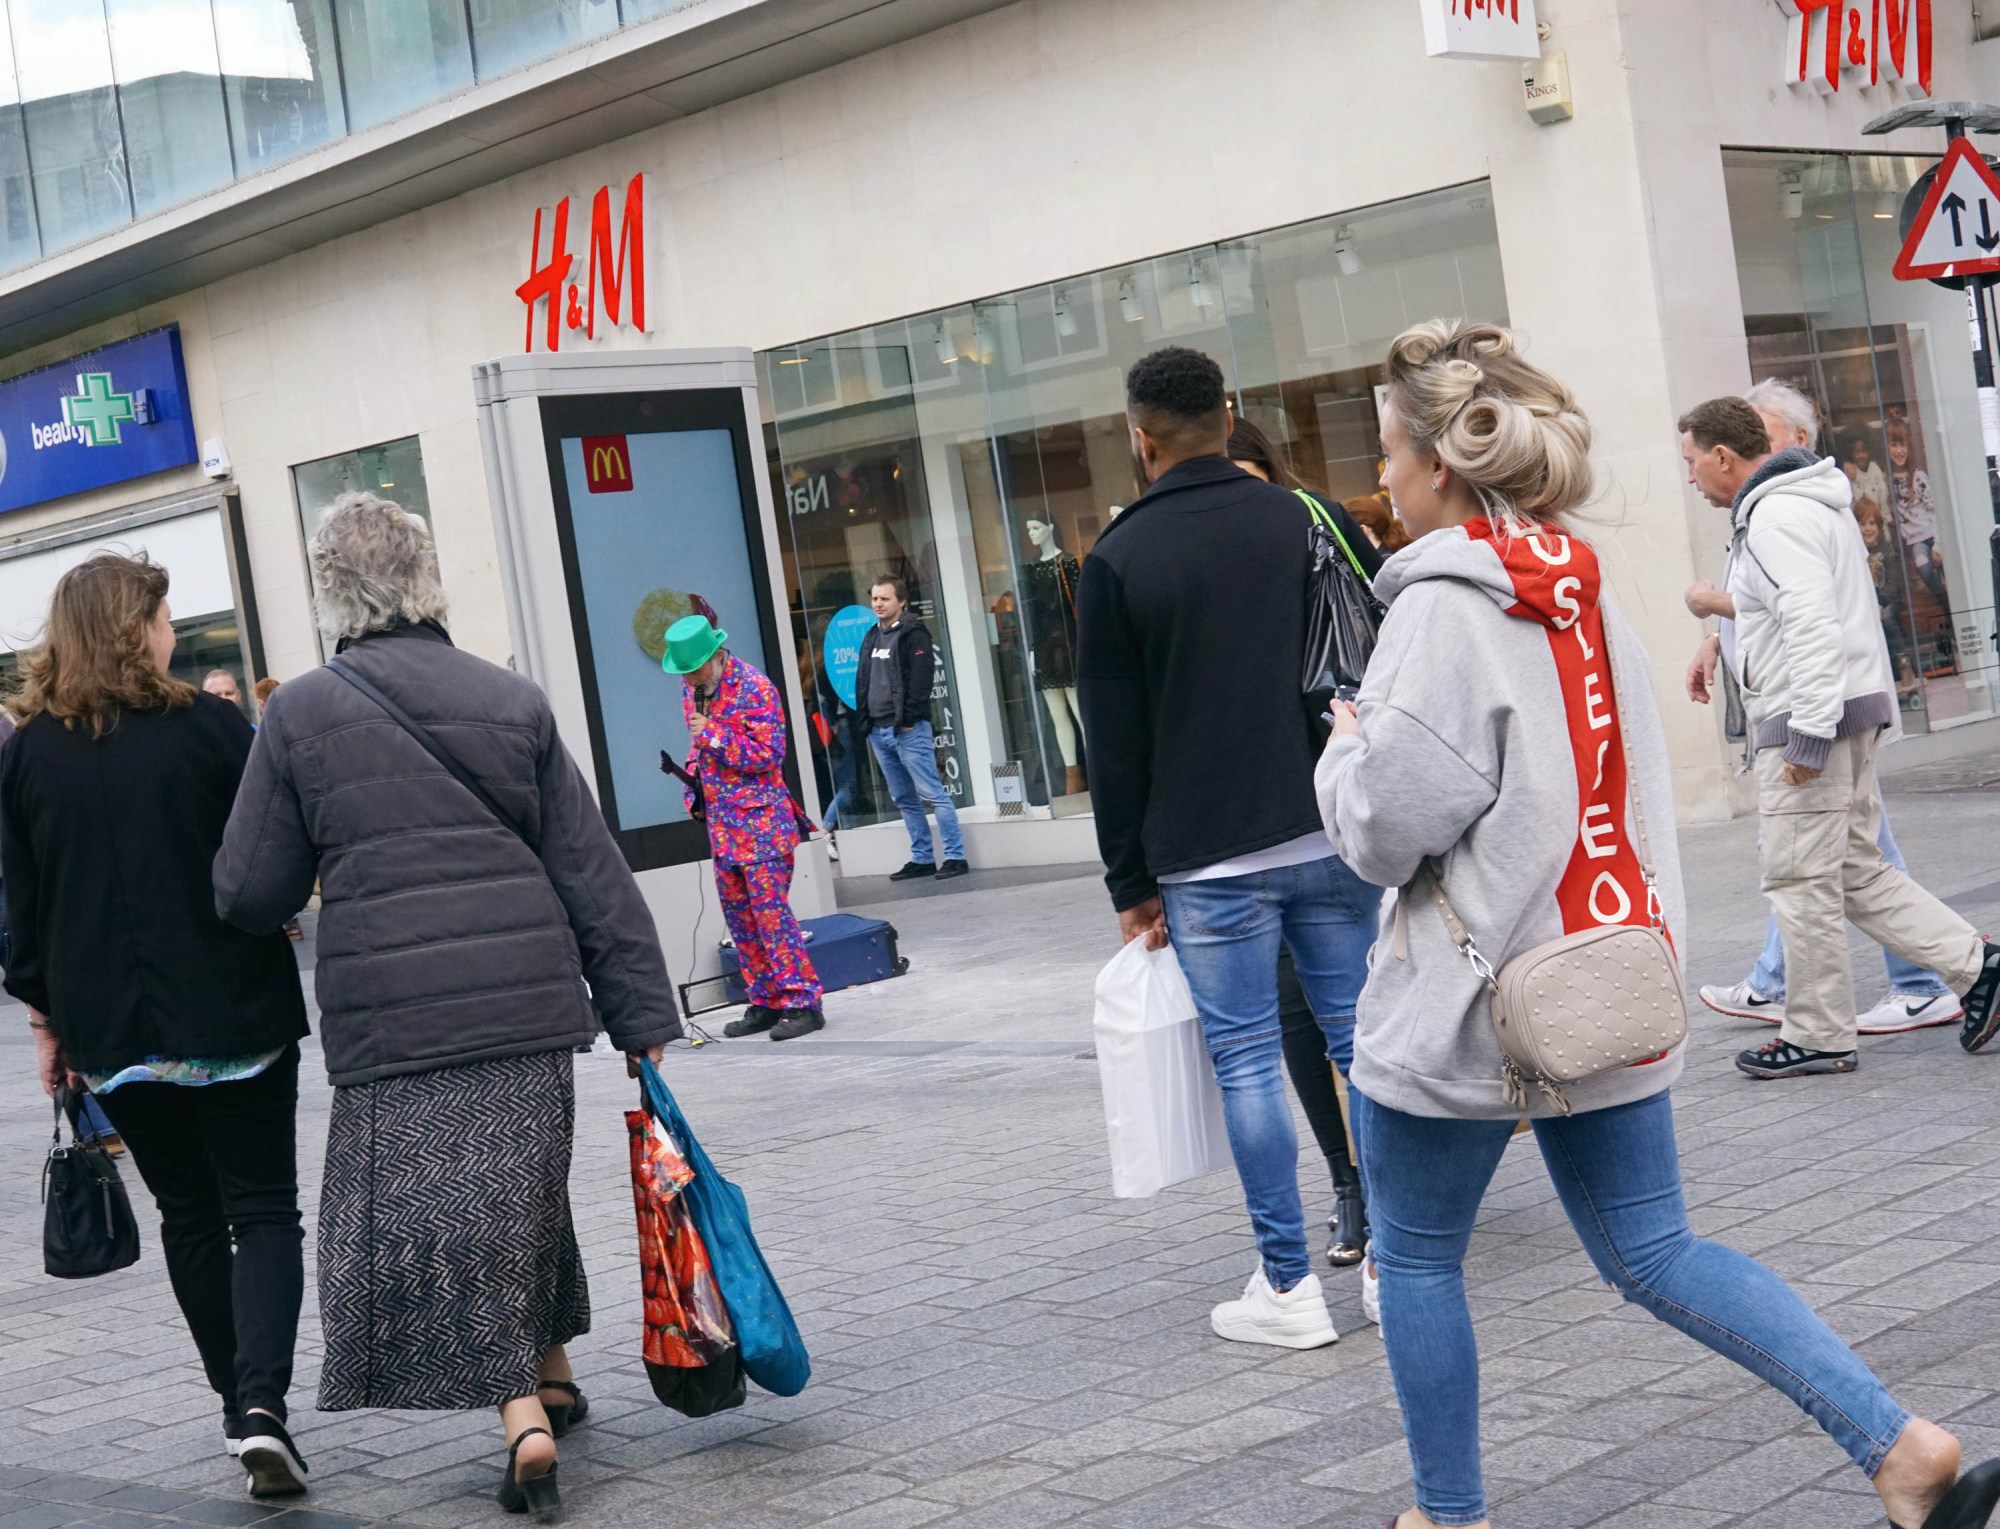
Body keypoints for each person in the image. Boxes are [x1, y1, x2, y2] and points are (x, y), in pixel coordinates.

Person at [1318, 318, 2000, 1529]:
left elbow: (1385, 828)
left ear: (1438, 461)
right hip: (1605, 980)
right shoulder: (1579, 588)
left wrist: (1344, 753)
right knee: (1655, 1251)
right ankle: (1899, 1446)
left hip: (1470, 1006)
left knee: (1415, 1258)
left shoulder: (1437, 610)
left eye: (1386, 451)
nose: (1382, 478)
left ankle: (1448, 1513)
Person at [214, 493, 683, 1521]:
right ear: (429, 578)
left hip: (395, 1022)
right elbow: (589, 869)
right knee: (514, 1195)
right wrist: (641, 1013)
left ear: (332, 590)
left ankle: (521, 1418)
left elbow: (252, 890)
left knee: (457, 1218)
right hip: (526, 1007)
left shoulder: (298, 713)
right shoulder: (508, 697)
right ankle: (551, 1373)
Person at [1078, 346, 1380, 1348]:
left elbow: (1110, 740)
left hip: (1203, 853)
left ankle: (1289, 1288)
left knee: (1249, 1062)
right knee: (1359, 1042)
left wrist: (1128, 877)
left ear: (1140, 435)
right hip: (1325, 822)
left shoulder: (1118, 557)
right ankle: (1393, 1262)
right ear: (1228, 414)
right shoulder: (1298, 519)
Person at [0, 554, 311, 1497]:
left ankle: (232, 1406)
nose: (174, 628)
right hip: (234, 1010)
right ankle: (262, 1403)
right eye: (165, 613)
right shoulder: (211, 729)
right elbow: (268, 851)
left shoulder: (27, 756)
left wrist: (47, 1017)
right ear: (136, 627)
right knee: (261, 1210)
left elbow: (24, 902)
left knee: (189, 1214)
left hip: (115, 1030)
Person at [1678, 397, 2000, 1077]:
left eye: (1690, 461)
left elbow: (1813, 626)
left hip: (1813, 719)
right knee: (1856, 871)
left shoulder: (1776, 516)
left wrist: (1806, 738)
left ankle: (1820, 1032)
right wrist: (1722, 643)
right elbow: (1797, 614)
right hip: (1849, 707)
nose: (1690, 477)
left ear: (1723, 456)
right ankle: (1981, 967)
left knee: (1799, 878)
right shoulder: (1804, 503)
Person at [1226, 414, 1380, 1268]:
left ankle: (1393, 1175)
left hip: (1351, 794)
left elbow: (1388, 614)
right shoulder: (1197, 547)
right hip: (1266, 820)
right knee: (1295, 1017)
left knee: (1360, 1012)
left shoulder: (1319, 521)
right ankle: (1349, 1184)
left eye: (1252, 471)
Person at [661, 614, 825, 1042]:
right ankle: (765, 1001)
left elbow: (769, 755)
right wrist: (693, 789)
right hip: (723, 825)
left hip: (763, 823)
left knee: (772, 917)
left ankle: (802, 1002)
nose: (690, 680)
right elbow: (698, 748)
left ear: (716, 657)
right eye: (684, 673)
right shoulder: (692, 691)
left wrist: (712, 735)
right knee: (741, 918)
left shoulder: (755, 688)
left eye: (694, 670)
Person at [854, 574, 967, 882]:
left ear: (901, 602)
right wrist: (866, 722)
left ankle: (956, 856)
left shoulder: (914, 634)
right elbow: (863, 680)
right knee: (903, 798)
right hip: (878, 732)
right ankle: (922, 858)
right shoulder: (871, 636)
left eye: (884, 598)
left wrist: (907, 721)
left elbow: (921, 682)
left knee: (932, 793)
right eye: (875, 598)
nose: (878, 603)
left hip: (908, 730)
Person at [1885, 414, 1955, 650]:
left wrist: (1939, 545)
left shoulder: (1918, 477)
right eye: (1894, 445)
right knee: (1923, 566)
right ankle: (1949, 609)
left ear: (1909, 447)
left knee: (1948, 576)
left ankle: (1954, 613)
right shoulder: (1888, 480)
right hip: (1916, 542)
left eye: (1902, 444)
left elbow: (1936, 512)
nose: (1899, 450)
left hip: (1932, 536)